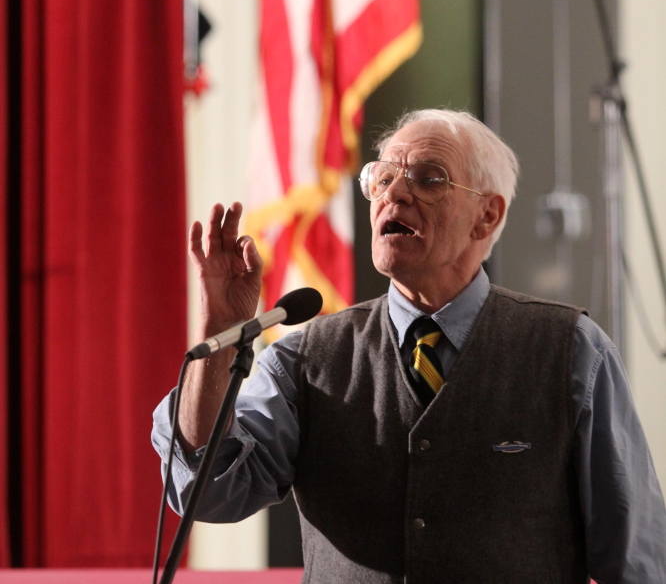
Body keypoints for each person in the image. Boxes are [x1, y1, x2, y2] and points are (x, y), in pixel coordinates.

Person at [153, 108, 666, 583]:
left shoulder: (570, 352)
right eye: (383, 177)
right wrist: (219, 335)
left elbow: (637, 558)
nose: (394, 195)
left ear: (486, 216)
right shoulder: (305, 357)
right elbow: (210, 488)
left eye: (428, 179)